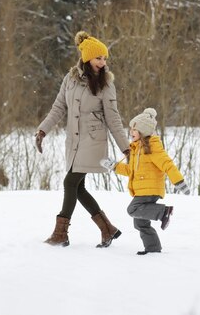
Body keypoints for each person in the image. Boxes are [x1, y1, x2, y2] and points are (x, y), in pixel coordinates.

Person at [36, 31, 131, 248]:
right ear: (87, 58)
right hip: (74, 140)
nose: (103, 62)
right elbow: (59, 107)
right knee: (78, 188)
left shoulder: (106, 83)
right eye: (99, 58)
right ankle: (107, 229)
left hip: (93, 140)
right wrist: (43, 130)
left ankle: (61, 233)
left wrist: (125, 148)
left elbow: (113, 118)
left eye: (105, 58)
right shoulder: (70, 79)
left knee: (70, 182)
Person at [100, 108, 191, 255]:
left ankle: (163, 212)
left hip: (150, 189)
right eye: (131, 128)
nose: (131, 131)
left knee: (132, 210)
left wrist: (179, 182)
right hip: (142, 189)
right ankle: (153, 248)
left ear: (143, 130)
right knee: (140, 222)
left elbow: (167, 164)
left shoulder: (153, 147)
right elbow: (131, 171)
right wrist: (114, 166)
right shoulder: (136, 149)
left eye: (134, 129)